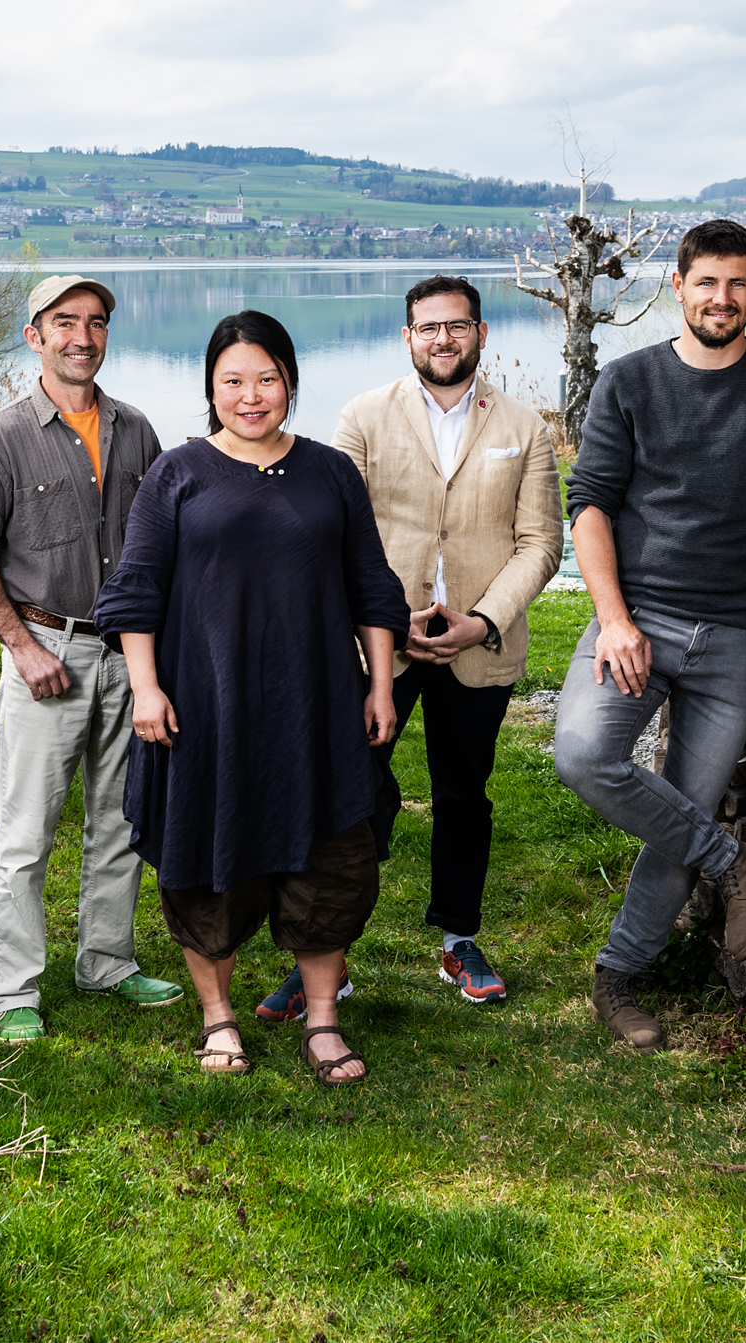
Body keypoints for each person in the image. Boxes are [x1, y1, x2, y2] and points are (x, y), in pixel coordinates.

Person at [553, 219, 746, 1051]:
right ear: (678, 287)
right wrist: (614, 618)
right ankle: (731, 860)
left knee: (678, 805)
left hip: (734, 635)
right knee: (583, 753)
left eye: (736, 283)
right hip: (638, 620)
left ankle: (620, 974)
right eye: (705, 282)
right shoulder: (626, 381)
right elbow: (587, 505)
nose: (720, 298)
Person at [94, 311, 409, 1083]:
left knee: (332, 862)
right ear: (210, 386)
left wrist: (379, 685)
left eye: (265, 378)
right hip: (205, 707)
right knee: (206, 861)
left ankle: (323, 1020)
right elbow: (135, 592)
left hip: (317, 706)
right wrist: (145, 688)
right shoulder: (178, 473)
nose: (251, 394)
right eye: (233, 380)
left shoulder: (331, 472)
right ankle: (219, 1016)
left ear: (290, 381)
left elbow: (372, 587)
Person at [0, 274, 184, 1043]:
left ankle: (106, 960)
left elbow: (163, 548)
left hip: (128, 657)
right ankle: (12, 990)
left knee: (119, 819)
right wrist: (20, 644)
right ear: (34, 334)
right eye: (64, 322)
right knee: (24, 833)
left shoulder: (137, 430)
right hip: (46, 652)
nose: (82, 335)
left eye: (96, 322)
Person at [310, 274, 560, 1013]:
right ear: (406, 337)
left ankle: (458, 939)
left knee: (463, 795)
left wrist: (480, 620)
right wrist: (390, 618)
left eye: (456, 326)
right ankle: (328, 953)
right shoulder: (360, 417)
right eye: (428, 328)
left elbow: (540, 542)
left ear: (481, 334)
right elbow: (339, 535)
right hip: (379, 643)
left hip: (477, 645)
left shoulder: (525, 427)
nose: (442, 339)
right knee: (352, 793)